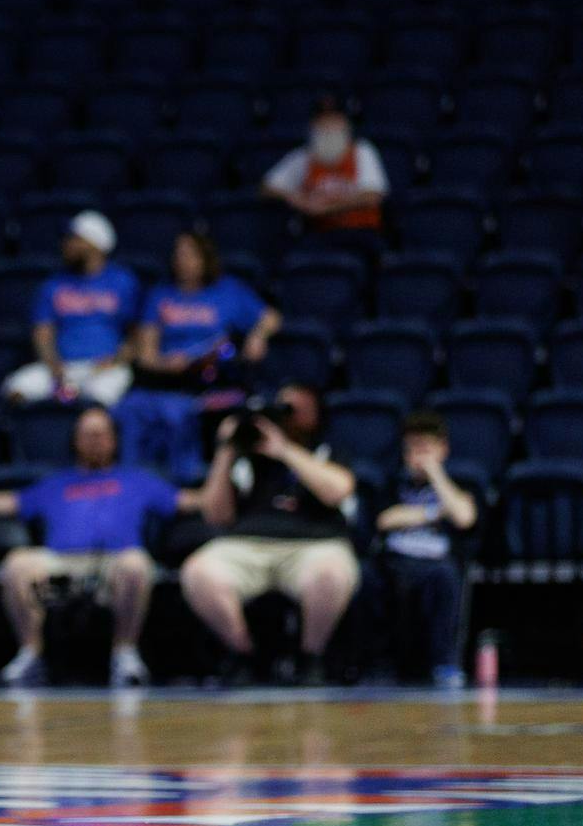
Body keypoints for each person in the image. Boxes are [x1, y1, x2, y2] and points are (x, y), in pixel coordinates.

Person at [0, 405, 198, 688]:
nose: (95, 440)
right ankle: (31, 655)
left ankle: (124, 654)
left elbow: (189, 502)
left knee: (136, 563)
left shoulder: (137, 480)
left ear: (114, 440)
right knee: (18, 563)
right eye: (87, 435)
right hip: (61, 563)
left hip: (114, 563)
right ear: (75, 441)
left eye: (101, 434)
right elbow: (8, 502)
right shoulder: (56, 484)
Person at [180, 384, 360, 684]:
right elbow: (215, 514)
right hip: (247, 545)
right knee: (199, 572)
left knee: (332, 574)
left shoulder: (328, 452)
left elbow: (337, 491)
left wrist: (285, 450)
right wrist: (226, 451)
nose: (288, 416)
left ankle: (310, 658)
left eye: (297, 409)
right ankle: (242, 654)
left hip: (314, 546)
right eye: (282, 408)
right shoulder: (248, 459)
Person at [124, 231, 281, 482]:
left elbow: (271, 318)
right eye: (178, 254)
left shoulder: (228, 291)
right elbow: (145, 355)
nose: (182, 260)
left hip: (212, 379)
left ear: (205, 257)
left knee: (181, 414)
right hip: (167, 380)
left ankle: (189, 483)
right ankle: (131, 483)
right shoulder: (160, 295)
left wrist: (257, 335)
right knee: (130, 410)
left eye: (189, 254)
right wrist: (166, 365)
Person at [372, 410, 479, 689]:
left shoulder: (461, 483)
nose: (417, 457)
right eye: (411, 449)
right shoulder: (393, 482)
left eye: (425, 448)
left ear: (443, 449)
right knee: (368, 576)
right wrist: (433, 512)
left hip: (436, 561)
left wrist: (435, 473)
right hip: (395, 560)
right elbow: (385, 520)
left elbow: (463, 516)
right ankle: (377, 663)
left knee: (445, 577)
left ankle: (445, 664)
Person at [14, 210, 138, 407]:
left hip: (105, 369)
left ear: (95, 244)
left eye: (75, 239)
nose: (67, 244)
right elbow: (43, 333)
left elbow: (136, 334)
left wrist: (117, 360)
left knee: (100, 395)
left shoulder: (122, 282)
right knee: (17, 388)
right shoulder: (54, 285)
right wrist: (54, 366)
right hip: (61, 368)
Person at [262, 100, 388, 258]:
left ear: (345, 123)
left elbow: (373, 196)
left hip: (359, 231)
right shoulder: (303, 156)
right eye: (323, 121)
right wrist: (297, 199)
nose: (328, 126)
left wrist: (327, 208)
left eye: (334, 120)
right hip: (320, 233)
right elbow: (267, 187)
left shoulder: (362, 151)